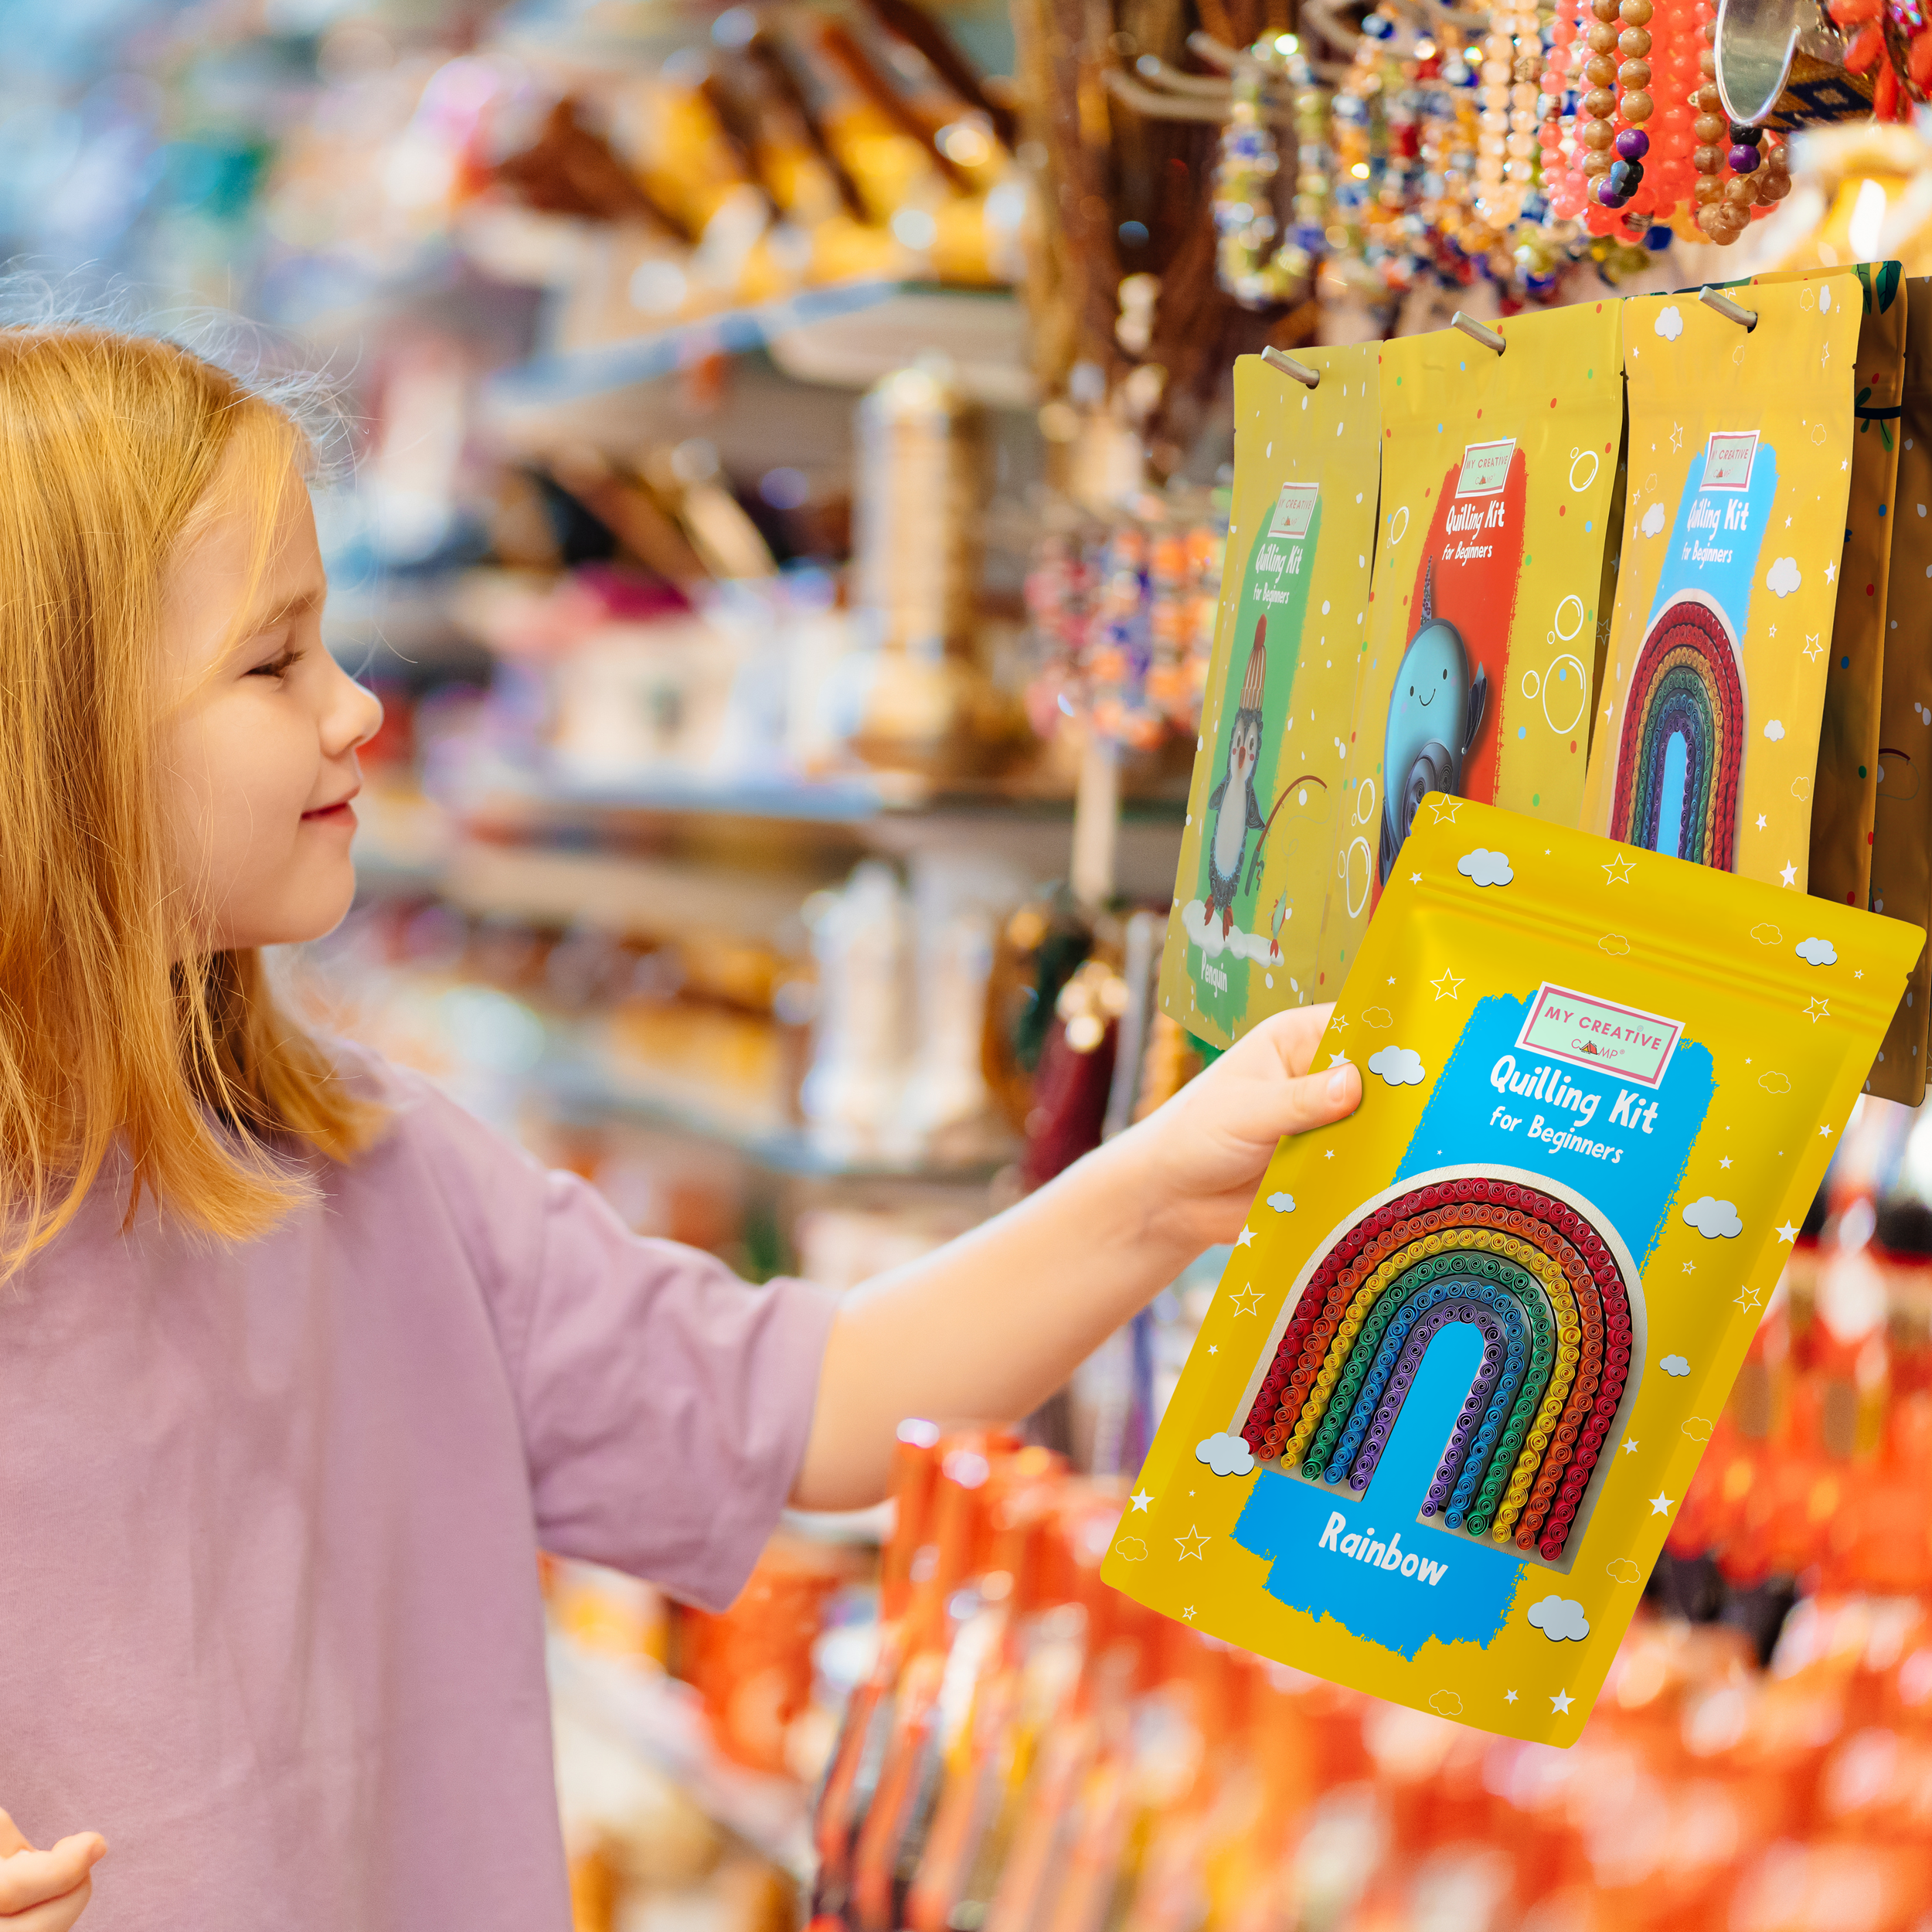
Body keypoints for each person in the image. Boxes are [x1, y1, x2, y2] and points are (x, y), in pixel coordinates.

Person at [0, 323, 1361, 1932]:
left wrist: (1166, 1176)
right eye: (272, 659)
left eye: (329, 642)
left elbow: (805, 1405)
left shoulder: (378, 1166)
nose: (358, 706)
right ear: (55, 748)